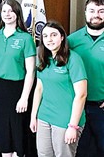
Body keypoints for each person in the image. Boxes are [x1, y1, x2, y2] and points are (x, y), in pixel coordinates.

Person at [0, 0, 36, 157]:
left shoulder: (25, 38)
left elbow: (30, 71)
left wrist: (24, 98)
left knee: (17, 129)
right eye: (4, 11)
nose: (7, 14)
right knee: (2, 129)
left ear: (17, 13)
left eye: (11, 11)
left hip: (19, 88)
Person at [30, 21, 87, 156]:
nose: (49, 39)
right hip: (44, 117)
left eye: (54, 35)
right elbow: (39, 88)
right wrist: (34, 116)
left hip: (65, 119)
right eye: (45, 36)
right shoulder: (43, 58)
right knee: (44, 154)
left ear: (62, 37)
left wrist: (73, 126)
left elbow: (82, 94)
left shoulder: (73, 59)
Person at [68, 0, 104, 157]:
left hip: (101, 107)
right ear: (85, 13)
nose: (96, 15)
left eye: (101, 11)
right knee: (81, 151)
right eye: (92, 10)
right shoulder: (71, 40)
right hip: (77, 108)